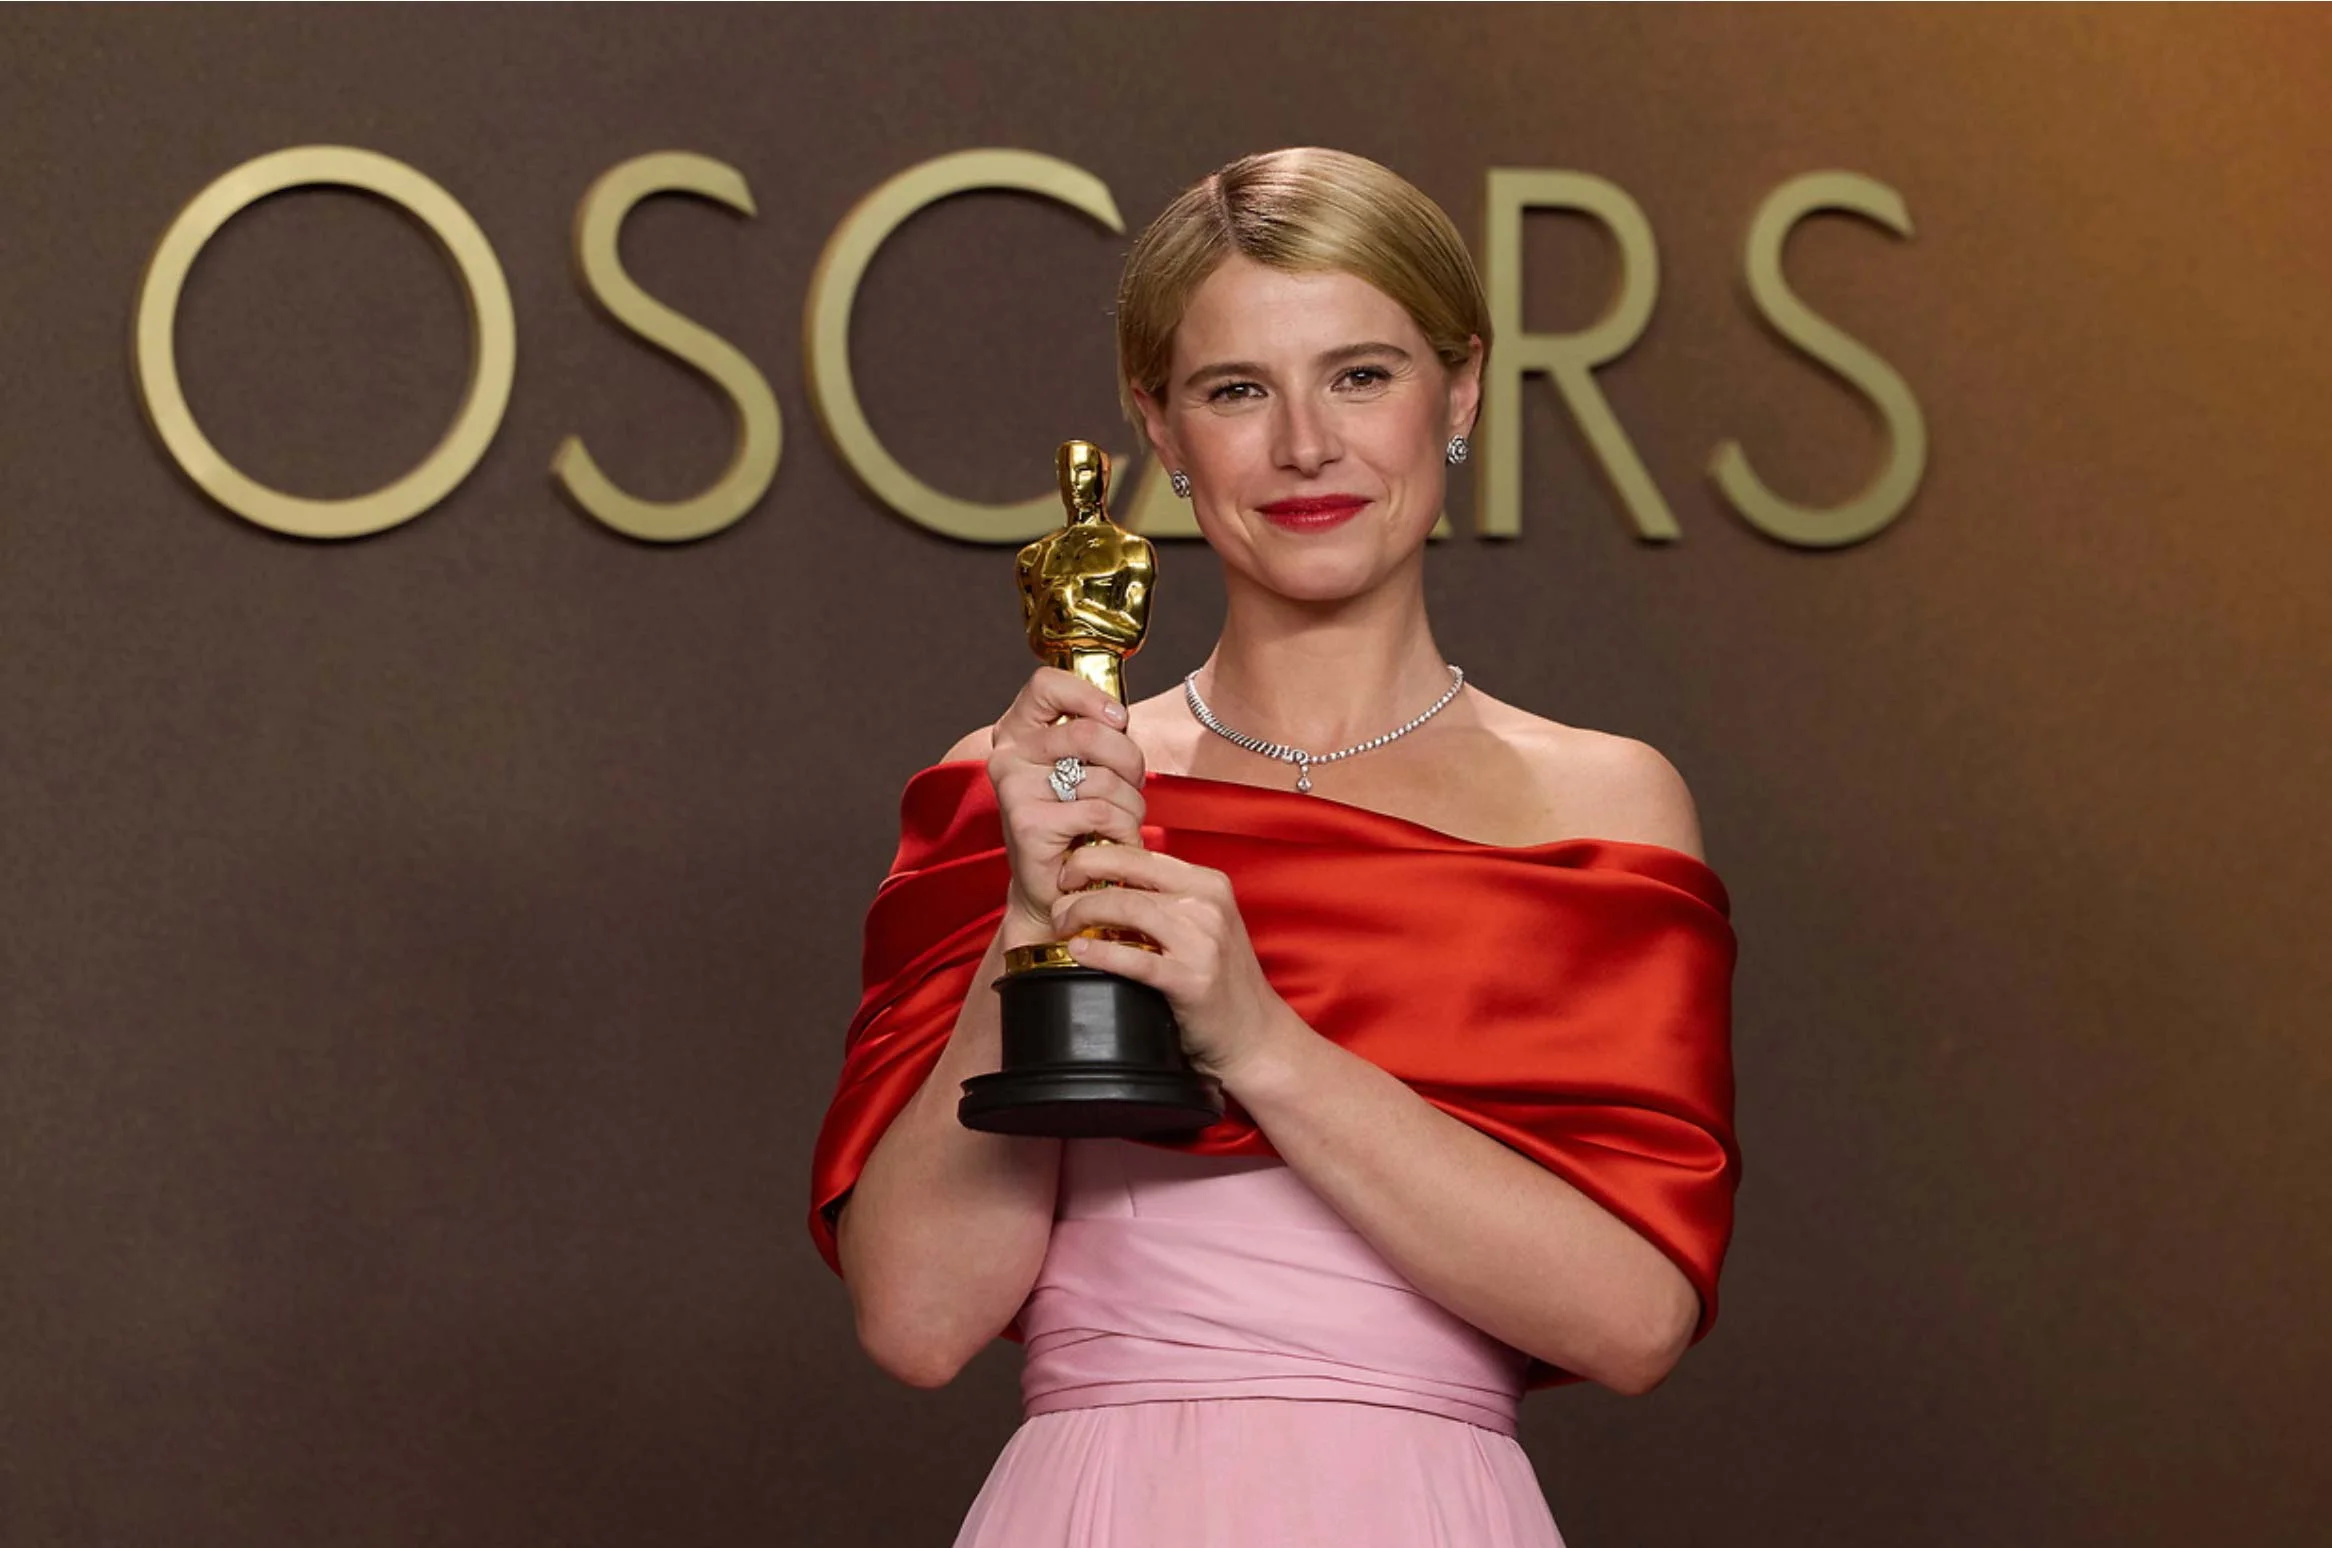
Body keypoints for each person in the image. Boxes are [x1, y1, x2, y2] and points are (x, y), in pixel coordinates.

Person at [809, 147, 1739, 1546]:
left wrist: (1258, 1039)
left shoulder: (1597, 809)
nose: (1307, 444)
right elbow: (920, 1322)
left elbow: (1634, 1321)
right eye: (1236, 389)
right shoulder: (1019, 789)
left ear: (1463, 390)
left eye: (1361, 375)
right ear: (1162, 431)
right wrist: (1032, 919)